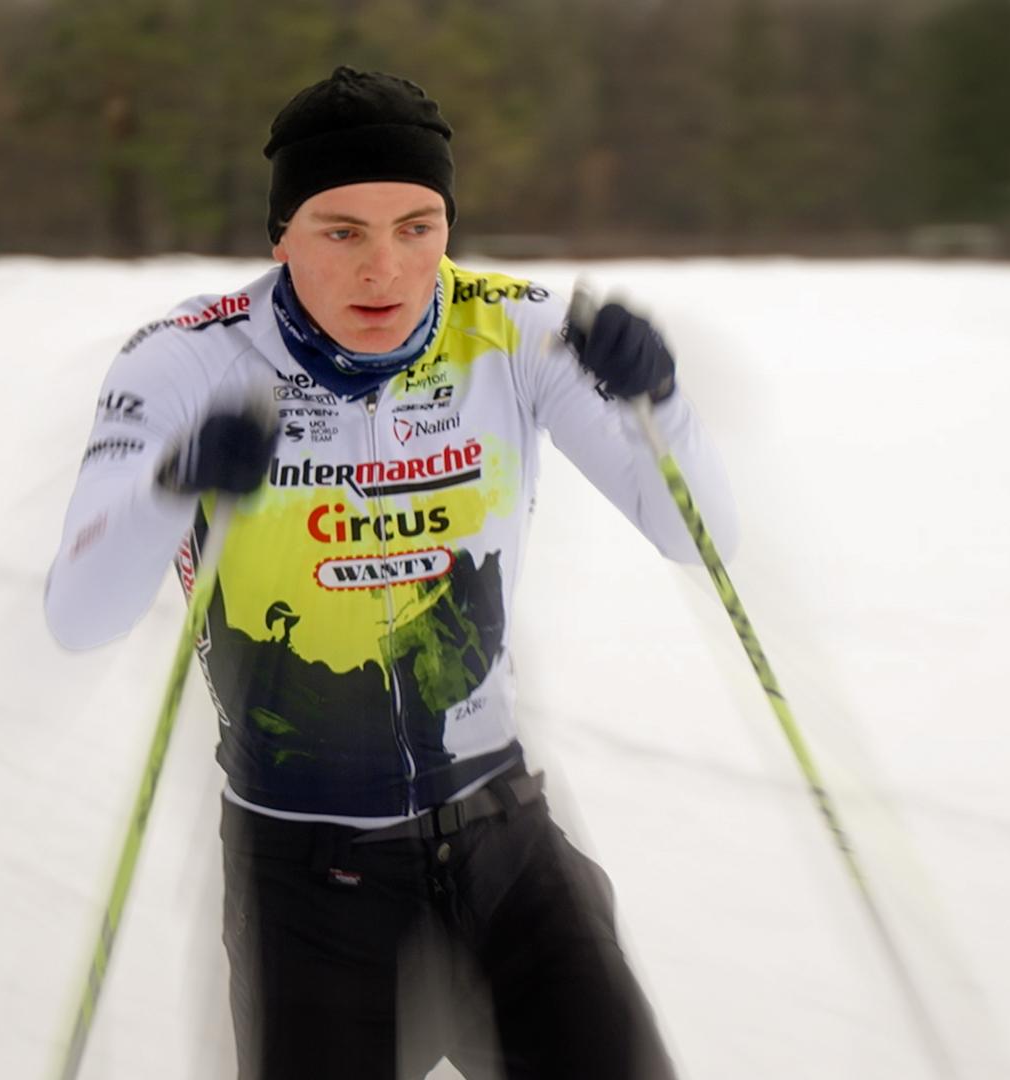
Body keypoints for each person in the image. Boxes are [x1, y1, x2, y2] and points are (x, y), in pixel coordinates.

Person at [44, 66, 738, 1080]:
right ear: (280, 234)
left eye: (418, 226)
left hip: (504, 840)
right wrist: (170, 485)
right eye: (342, 231)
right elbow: (80, 613)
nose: (386, 268)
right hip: (304, 872)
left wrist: (661, 403)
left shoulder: (514, 331)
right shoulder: (188, 361)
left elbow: (699, 542)